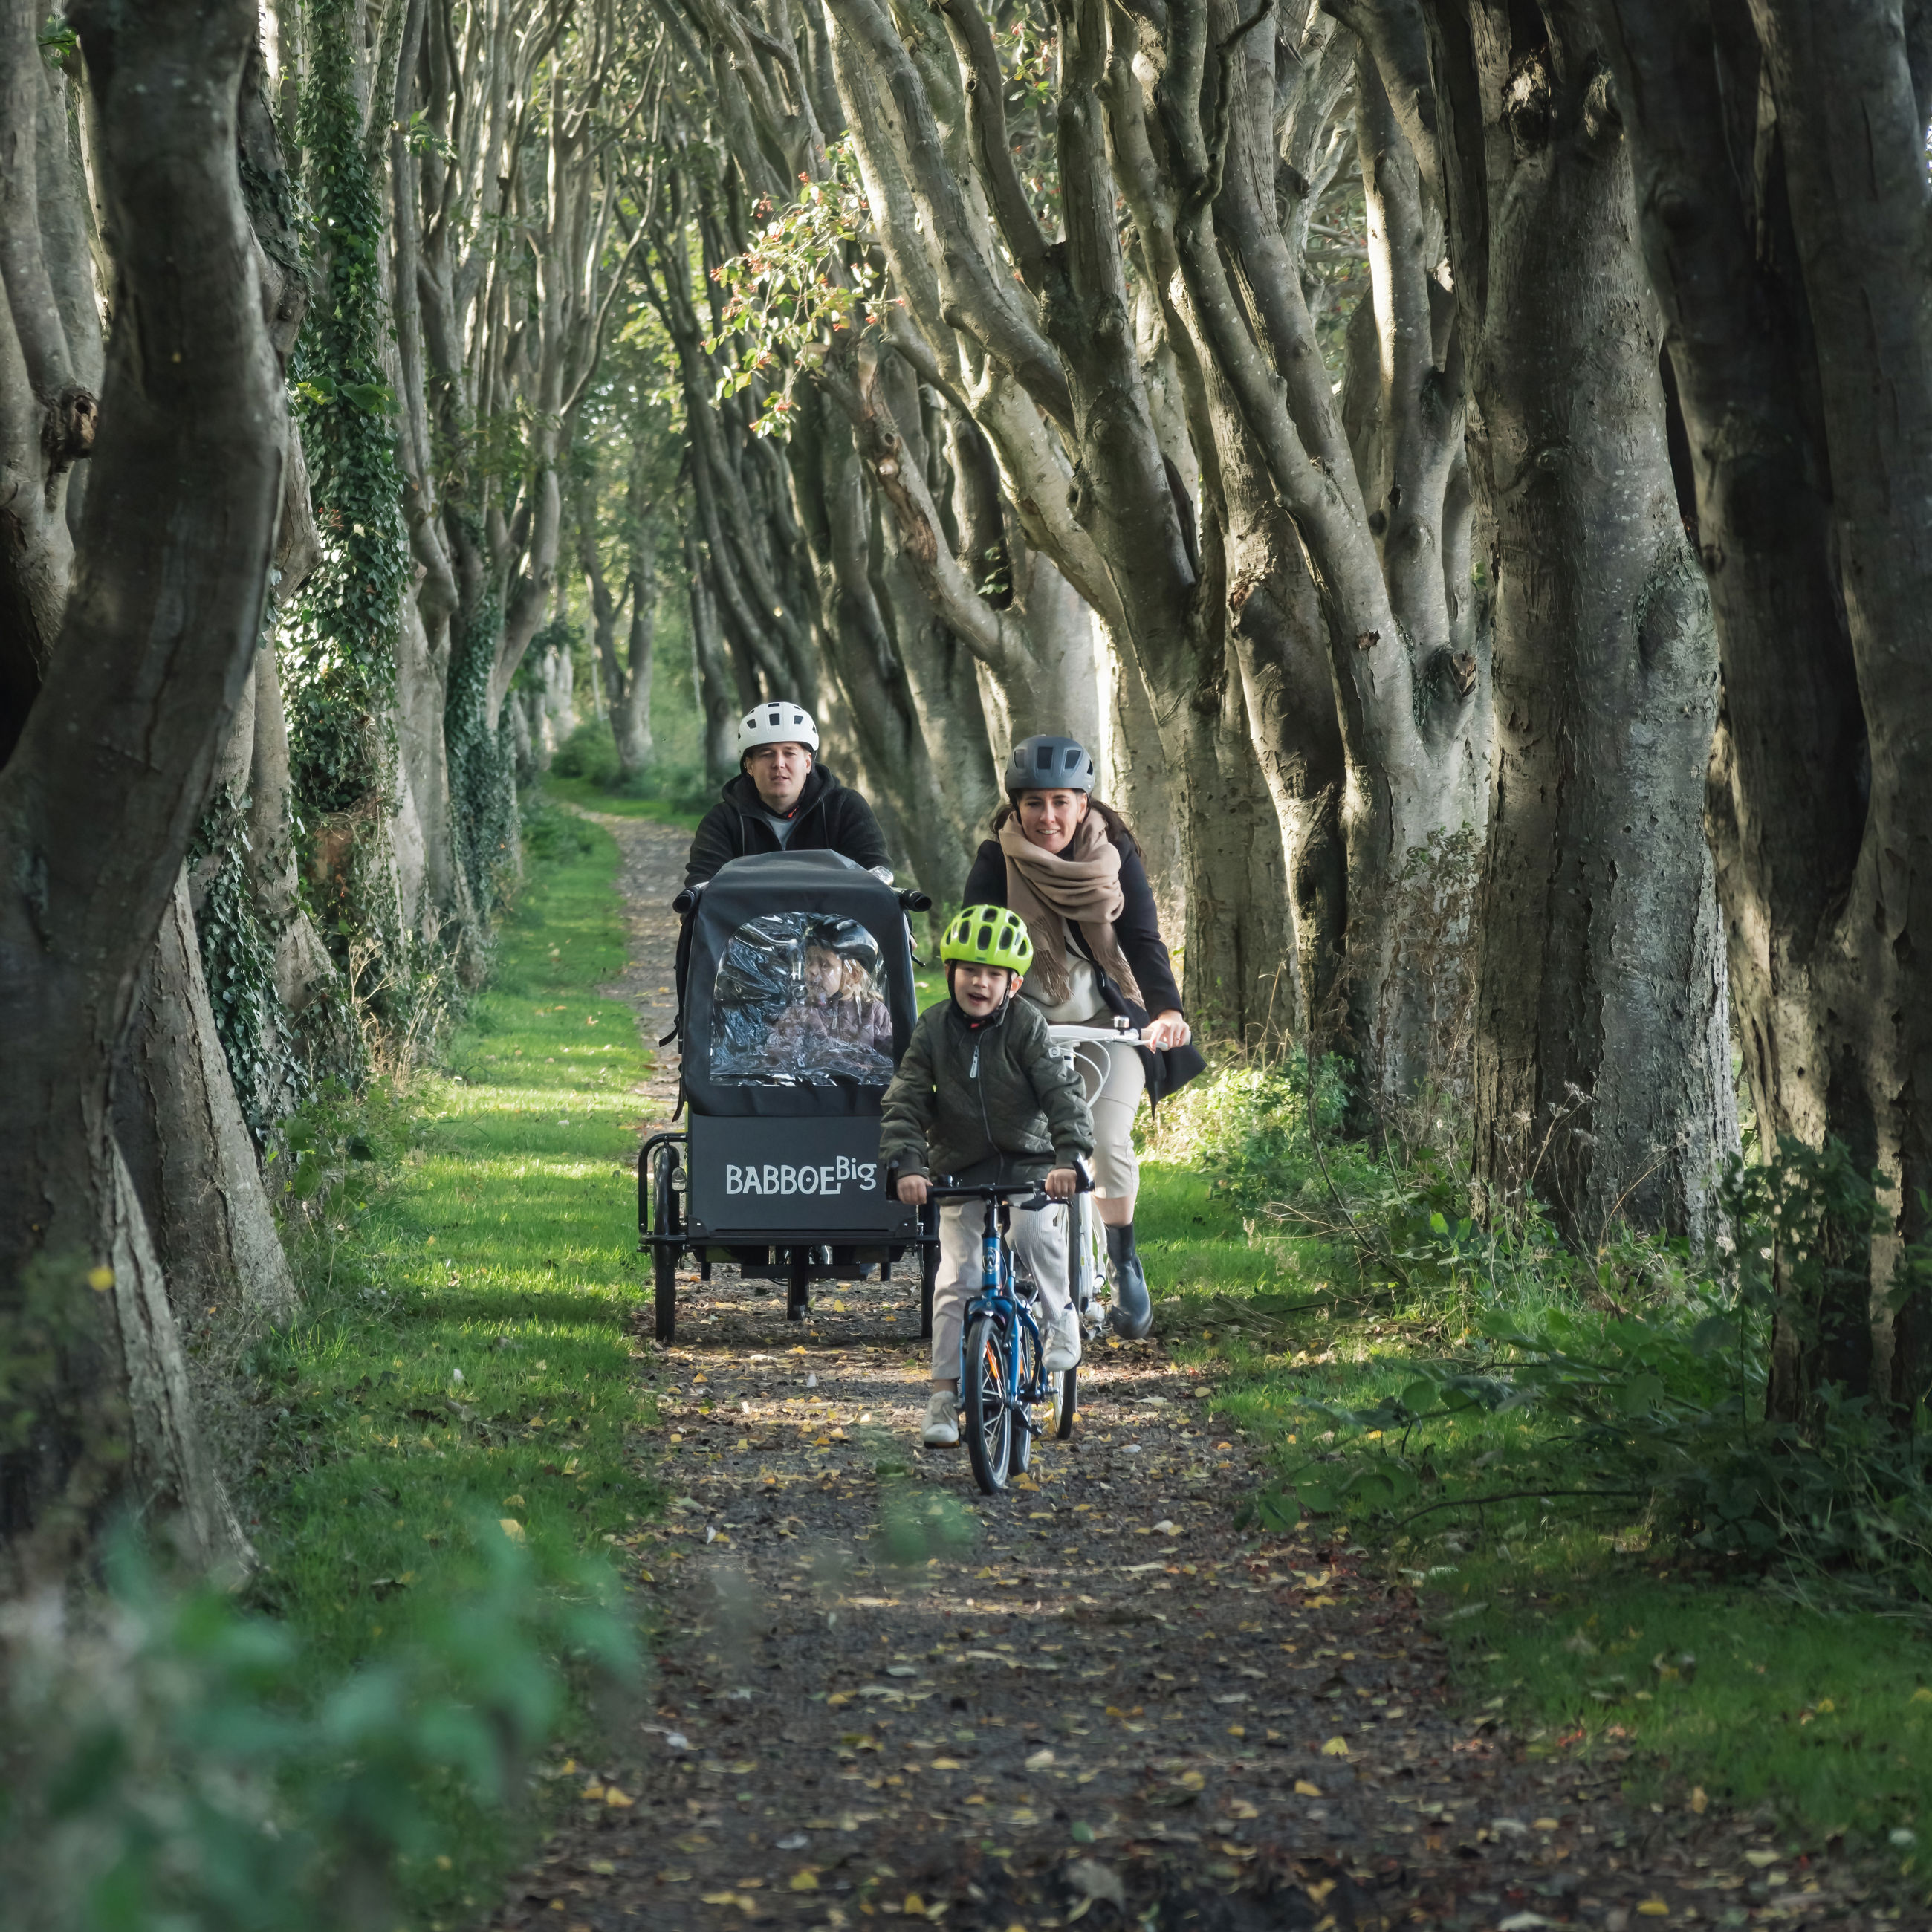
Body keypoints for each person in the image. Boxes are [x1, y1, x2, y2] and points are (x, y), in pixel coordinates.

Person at [962, 734, 1205, 1338]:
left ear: (1083, 803)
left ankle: (1124, 1259)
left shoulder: (1114, 853)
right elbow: (977, 943)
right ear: (1016, 807)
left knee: (1110, 1143)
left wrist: (1167, 1012)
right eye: (1035, 803)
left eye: (1062, 802)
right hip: (1025, 1027)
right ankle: (1023, 1266)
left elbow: (1143, 942)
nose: (1048, 817)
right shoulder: (997, 860)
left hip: (1107, 1025)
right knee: (1024, 1149)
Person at [878, 907, 1094, 1448]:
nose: (980, 982)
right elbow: (904, 1100)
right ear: (950, 972)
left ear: (1013, 984)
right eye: (970, 970)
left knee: (1031, 1234)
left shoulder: (1026, 1025)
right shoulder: (932, 1029)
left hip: (1030, 1162)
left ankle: (1060, 1316)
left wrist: (1068, 1159)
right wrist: (909, 1165)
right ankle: (943, 1398)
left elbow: (1062, 1093)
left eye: (994, 974)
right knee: (956, 1277)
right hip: (962, 1167)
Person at [683, 700, 892, 888]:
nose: (779, 764)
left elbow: (875, 867)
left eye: (789, 753)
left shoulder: (845, 807)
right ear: (749, 766)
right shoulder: (724, 820)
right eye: (767, 754)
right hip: (749, 928)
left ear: (808, 762)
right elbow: (702, 878)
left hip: (836, 925)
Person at [762, 919, 894, 1075]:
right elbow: (777, 1058)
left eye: (825, 965)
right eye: (809, 962)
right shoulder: (801, 1012)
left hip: (860, 1094)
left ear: (853, 975)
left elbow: (889, 1061)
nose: (811, 971)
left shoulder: (874, 1012)